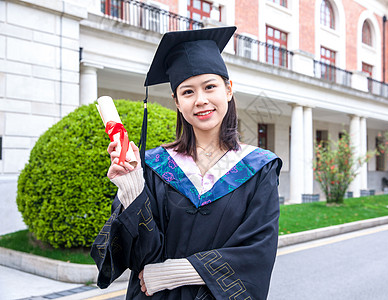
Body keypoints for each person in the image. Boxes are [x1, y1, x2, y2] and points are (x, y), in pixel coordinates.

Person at [91, 26, 283, 300]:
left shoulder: (259, 168)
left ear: (228, 89)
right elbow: (139, 255)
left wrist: (175, 271)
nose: (201, 100)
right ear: (177, 102)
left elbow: (257, 251)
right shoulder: (155, 165)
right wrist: (132, 186)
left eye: (210, 87)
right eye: (188, 92)